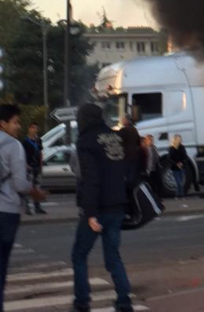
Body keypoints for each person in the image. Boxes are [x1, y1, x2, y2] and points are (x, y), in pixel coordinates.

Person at [70, 103, 133, 312]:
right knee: (113, 257)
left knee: (79, 255)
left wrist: (90, 213)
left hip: (99, 208)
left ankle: (82, 302)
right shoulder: (115, 137)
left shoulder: (86, 141)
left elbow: (90, 178)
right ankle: (124, 301)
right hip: (117, 205)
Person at [0, 105, 34, 312]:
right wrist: (35, 191)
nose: (18, 127)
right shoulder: (14, 146)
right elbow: (21, 184)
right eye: (15, 122)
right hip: (7, 212)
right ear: (2, 123)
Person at [21, 122, 46, 215]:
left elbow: (40, 152)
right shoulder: (25, 141)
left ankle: (37, 207)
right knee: (28, 187)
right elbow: (23, 154)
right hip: (29, 166)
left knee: (37, 187)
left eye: (36, 128)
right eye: (33, 128)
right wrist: (26, 165)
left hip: (37, 166)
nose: (35, 130)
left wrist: (41, 163)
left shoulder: (38, 140)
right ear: (29, 129)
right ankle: (26, 207)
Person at [117, 115, 141, 188]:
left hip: (125, 156)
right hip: (134, 156)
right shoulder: (134, 129)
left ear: (126, 121)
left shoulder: (123, 130)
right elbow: (138, 141)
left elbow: (117, 141)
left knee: (125, 175)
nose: (122, 121)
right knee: (132, 175)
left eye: (123, 120)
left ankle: (127, 190)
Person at [168, 134, 187, 200]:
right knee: (178, 182)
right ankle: (180, 195)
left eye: (180, 139)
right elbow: (170, 158)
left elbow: (185, 157)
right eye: (177, 139)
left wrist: (182, 163)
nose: (179, 140)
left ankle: (179, 195)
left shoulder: (182, 147)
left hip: (182, 166)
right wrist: (176, 163)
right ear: (175, 140)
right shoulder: (171, 148)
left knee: (181, 182)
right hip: (175, 167)